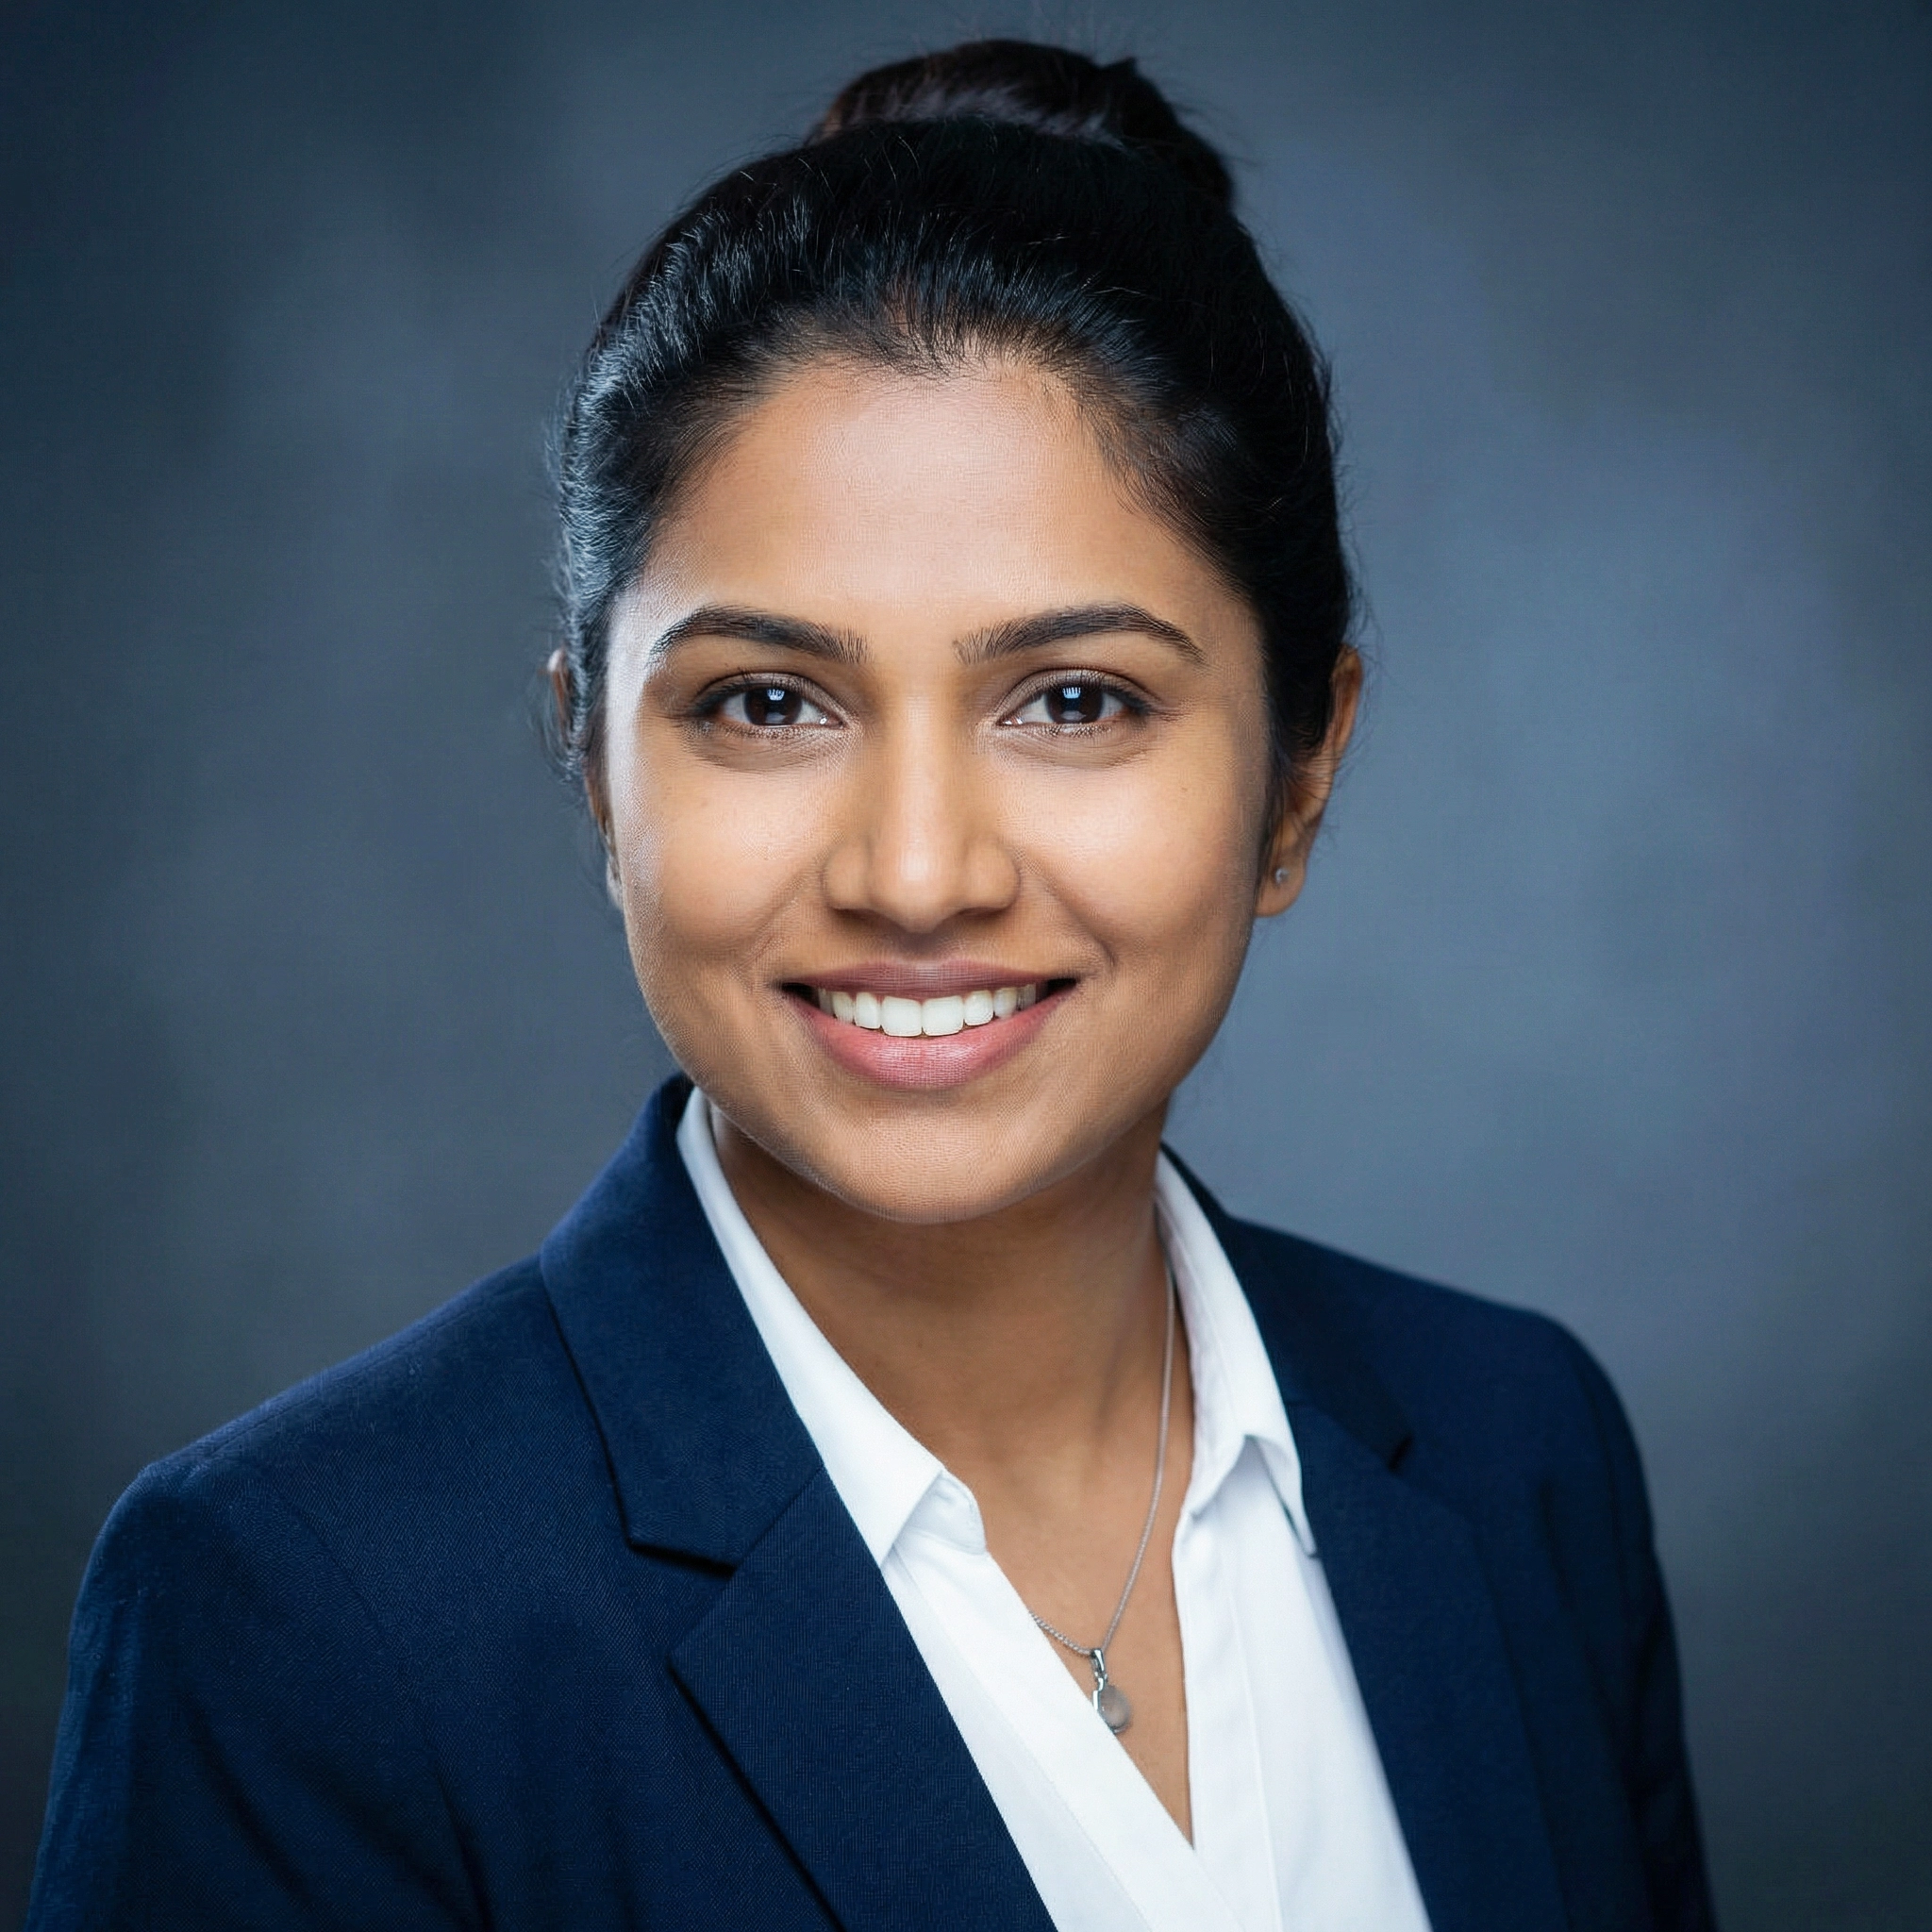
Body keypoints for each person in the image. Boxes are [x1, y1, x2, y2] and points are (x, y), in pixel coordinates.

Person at [27, 39, 1715, 1932]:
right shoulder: (303, 1613)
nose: (918, 871)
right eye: (768, 701)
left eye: (1075, 699)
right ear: (595, 765)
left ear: (1298, 770)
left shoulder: (1517, 1453)